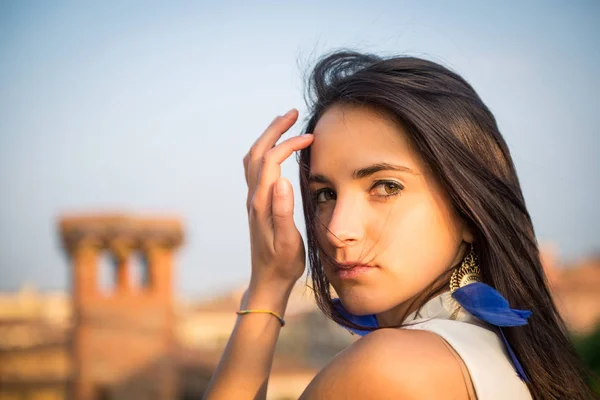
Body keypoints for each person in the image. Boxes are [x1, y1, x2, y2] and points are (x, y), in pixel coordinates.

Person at [203, 50, 595, 399]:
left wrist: (267, 287)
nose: (339, 230)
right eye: (324, 194)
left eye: (386, 187)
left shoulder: (385, 370)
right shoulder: (507, 359)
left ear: (469, 210)